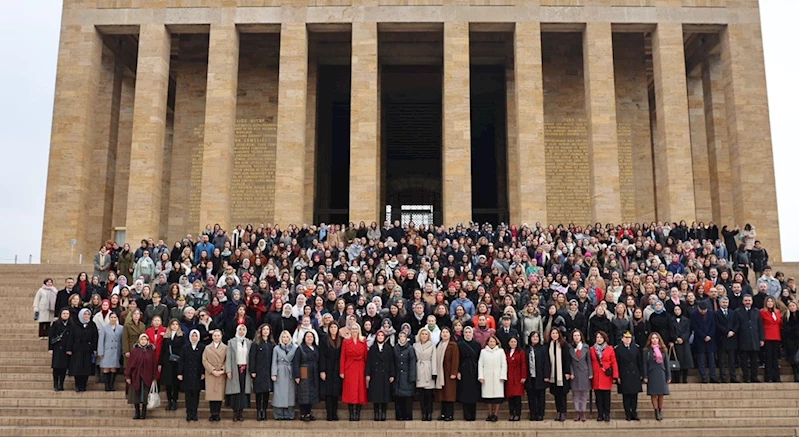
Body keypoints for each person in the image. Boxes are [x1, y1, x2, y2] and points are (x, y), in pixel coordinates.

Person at [125, 333, 158, 419]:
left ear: (147, 341)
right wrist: (128, 376)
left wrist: (154, 377)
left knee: (145, 394)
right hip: (136, 376)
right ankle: (137, 413)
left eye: (145, 340)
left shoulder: (151, 351)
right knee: (136, 394)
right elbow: (130, 364)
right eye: (141, 339)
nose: (143, 341)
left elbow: (154, 364)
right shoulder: (135, 351)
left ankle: (144, 413)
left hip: (147, 376)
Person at [340, 323, 368, 421]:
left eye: (356, 328)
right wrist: (342, 371)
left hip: (360, 367)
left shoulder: (363, 341)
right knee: (350, 391)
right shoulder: (346, 341)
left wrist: (367, 371)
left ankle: (358, 413)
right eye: (353, 329)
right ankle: (351, 413)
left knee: (360, 390)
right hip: (350, 367)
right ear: (350, 330)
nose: (354, 330)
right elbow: (343, 356)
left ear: (359, 330)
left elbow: (366, 356)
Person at [590, 330, 618, 422]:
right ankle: (600, 414)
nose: (599, 339)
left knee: (606, 396)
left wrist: (615, 376)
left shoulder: (610, 349)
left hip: (606, 374)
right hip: (596, 374)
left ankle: (607, 414)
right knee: (598, 397)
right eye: (597, 337)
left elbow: (614, 362)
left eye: (601, 337)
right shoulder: (592, 349)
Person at [366, 329, 394, 421]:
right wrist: (368, 374)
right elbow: (369, 362)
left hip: (385, 374)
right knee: (376, 395)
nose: (380, 337)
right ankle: (376, 413)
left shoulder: (389, 348)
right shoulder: (372, 348)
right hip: (375, 374)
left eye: (382, 335)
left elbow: (391, 363)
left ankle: (383, 413)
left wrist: (391, 375)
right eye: (379, 335)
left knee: (384, 395)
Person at [225, 324, 252, 421]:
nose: (241, 331)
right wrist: (228, 370)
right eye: (240, 329)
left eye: (243, 329)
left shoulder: (249, 342)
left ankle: (241, 412)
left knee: (243, 391)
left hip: (245, 370)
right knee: (235, 391)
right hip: (235, 368)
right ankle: (235, 412)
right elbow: (228, 357)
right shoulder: (231, 342)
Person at [67, 308, 98, 392]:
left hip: (88, 349)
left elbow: (95, 337)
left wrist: (94, 348)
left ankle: (84, 385)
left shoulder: (92, 325)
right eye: (85, 314)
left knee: (86, 368)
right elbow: (71, 337)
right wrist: (69, 348)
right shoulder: (75, 325)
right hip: (77, 349)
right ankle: (77, 385)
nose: (86, 316)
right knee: (77, 368)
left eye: (88, 314)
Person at [735, 295, 764, 383]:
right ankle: (746, 377)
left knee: (754, 361)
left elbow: (760, 326)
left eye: (749, 300)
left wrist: (761, 339)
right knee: (744, 361)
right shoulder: (738, 311)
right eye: (746, 300)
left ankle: (754, 377)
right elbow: (737, 326)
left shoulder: (756, 311)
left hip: (754, 339)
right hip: (743, 339)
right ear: (743, 301)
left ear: (752, 301)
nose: (747, 302)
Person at [478, 335, 507, 422]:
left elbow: (504, 364)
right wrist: (481, 376)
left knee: (497, 397)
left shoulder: (500, 351)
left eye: (493, 342)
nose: (492, 343)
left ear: (496, 342)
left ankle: (496, 414)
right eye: (490, 341)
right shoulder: (483, 352)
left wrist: (503, 376)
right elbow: (480, 364)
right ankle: (490, 414)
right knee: (488, 397)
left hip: (498, 377)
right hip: (487, 377)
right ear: (487, 342)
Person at [642, 332, 671, 421]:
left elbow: (667, 363)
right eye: (653, 338)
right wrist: (645, 375)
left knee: (661, 394)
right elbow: (644, 364)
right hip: (652, 373)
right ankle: (656, 411)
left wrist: (668, 376)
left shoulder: (663, 350)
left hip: (661, 372)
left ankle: (660, 410)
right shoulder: (646, 350)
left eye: (656, 338)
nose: (655, 340)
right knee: (653, 394)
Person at [178, 329, 205, 422]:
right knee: (188, 395)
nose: (194, 338)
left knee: (196, 395)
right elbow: (181, 361)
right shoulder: (185, 347)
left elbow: (203, 361)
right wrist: (180, 373)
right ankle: (189, 413)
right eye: (193, 336)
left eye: (196, 336)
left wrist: (203, 373)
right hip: (187, 374)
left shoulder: (202, 347)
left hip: (197, 374)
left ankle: (194, 413)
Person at [249, 324, 274, 421]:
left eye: (267, 329)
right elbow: (252, 357)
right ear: (261, 331)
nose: (266, 331)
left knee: (267, 392)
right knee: (259, 393)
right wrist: (253, 370)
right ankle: (259, 411)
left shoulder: (272, 344)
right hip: (259, 371)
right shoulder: (256, 343)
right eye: (264, 329)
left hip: (268, 371)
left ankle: (264, 411)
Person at [615, 331, 642, 421]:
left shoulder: (636, 348)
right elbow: (617, 363)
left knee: (634, 395)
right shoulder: (618, 349)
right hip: (624, 374)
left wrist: (641, 374)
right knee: (626, 396)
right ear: (622, 339)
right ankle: (627, 414)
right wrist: (617, 376)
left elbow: (639, 361)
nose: (627, 340)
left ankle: (634, 412)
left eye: (629, 338)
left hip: (635, 374)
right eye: (626, 338)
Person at [271, 330, 298, 420]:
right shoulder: (276, 348)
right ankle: (278, 414)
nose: (285, 339)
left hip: (290, 371)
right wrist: (274, 373)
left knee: (290, 394)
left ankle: (289, 414)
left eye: (287, 337)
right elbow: (274, 361)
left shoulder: (295, 348)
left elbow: (296, 361)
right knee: (279, 394)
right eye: (283, 337)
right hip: (280, 372)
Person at [295, 331, 321, 421]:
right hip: (304, 370)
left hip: (314, 372)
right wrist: (297, 375)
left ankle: (309, 413)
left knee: (312, 393)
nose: (309, 338)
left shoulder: (316, 348)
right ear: (304, 338)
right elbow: (296, 362)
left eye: (311, 337)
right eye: (307, 337)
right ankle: (303, 414)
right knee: (303, 393)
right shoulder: (300, 348)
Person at [435, 326, 459, 421]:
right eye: (443, 332)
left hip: (449, 372)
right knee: (442, 394)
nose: (444, 334)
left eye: (446, 332)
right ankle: (443, 414)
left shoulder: (453, 345)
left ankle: (449, 415)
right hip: (441, 372)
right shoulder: (438, 345)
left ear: (450, 334)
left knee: (449, 394)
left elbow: (455, 359)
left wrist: (454, 372)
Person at [319, 322, 342, 421]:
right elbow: (322, 356)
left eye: (335, 327)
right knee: (328, 392)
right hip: (328, 367)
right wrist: (322, 370)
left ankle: (334, 413)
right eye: (331, 327)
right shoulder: (324, 339)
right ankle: (329, 414)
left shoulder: (341, 340)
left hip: (337, 368)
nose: (333, 329)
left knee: (335, 392)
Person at [202, 329, 227, 421]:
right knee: (211, 394)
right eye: (215, 336)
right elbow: (204, 360)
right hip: (211, 373)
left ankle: (217, 413)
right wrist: (212, 370)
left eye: (218, 335)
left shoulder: (225, 348)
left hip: (220, 372)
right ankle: (212, 413)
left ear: (221, 336)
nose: (216, 337)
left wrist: (222, 370)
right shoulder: (207, 348)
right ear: (212, 337)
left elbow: (227, 360)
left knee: (219, 395)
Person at [524, 331, 549, 421]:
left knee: (540, 397)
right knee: (531, 397)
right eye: (533, 336)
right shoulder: (526, 349)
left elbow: (546, 362)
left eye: (537, 337)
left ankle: (540, 414)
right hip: (530, 377)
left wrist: (546, 375)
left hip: (540, 376)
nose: (535, 338)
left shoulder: (543, 349)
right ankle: (533, 414)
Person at [548, 327, 572, 422]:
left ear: (559, 334)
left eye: (556, 333)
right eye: (553, 333)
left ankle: (563, 412)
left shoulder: (564, 345)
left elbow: (567, 360)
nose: (554, 335)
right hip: (553, 374)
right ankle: (558, 412)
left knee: (563, 395)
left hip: (562, 374)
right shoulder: (549, 345)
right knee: (556, 395)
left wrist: (567, 372)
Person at [691, 301, 718, 383]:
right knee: (701, 360)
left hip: (711, 339)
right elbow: (695, 327)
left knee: (711, 360)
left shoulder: (711, 313)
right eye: (701, 310)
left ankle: (713, 377)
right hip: (700, 339)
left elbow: (714, 325)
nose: (703, 311)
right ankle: (703, 377)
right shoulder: (694, 314)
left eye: (704, 310)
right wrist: (704, 336)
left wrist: (710, 335)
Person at [414, 327, 438, 421]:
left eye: (426, 334)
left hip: (428, 369)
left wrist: (434, 372)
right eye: (422, 334)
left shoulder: (432, 345)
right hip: (419, 369)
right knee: (421, 396)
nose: (424, 336)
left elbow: (434, 359)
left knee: (429, 395)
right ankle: (423, 413)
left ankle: (429, 413)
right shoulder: (415, 345)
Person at [393, 330, 417, 421]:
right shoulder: (395, 348)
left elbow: (412, 363)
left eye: (404, 337)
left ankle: (407, 416)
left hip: (407, 377)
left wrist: (412, 377)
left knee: (408, 398)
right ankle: (399, 416)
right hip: (398, 377)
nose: (402, 338)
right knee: (398, 398)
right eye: (401, 337)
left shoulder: (410, 348)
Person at [569, 329, 591, 421]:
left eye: (578, 335)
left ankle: (583, 412)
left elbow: (589, 361)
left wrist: (590, 373)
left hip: (584, 372)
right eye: (575, 335)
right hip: (574, 373)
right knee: (576, 394)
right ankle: (577, 411)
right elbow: (569, 362)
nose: (576, 337)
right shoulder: (570, 348)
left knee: (584, 394)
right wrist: (571, 373)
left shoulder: (586, 347)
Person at [715, 296, 739, 383]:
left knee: (732, 360)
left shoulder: (733, 313)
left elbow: (737, 323)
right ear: (720, 303)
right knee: (722, 360)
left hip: (732, 338)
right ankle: (723, 377)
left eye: (726, 302)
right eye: (723, 302)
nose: (725, 304)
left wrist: (733, 331)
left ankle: (733, 377)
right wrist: (726, 332)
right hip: (721, 339)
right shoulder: (716, 313)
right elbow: (717, 325)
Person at [97, 312, 122, 391]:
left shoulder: (121, 328)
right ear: (109, 318)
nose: (113, 319)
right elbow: (101, 341)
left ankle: (111, 386)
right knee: (106, 368)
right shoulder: (104, 328)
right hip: (107, 351)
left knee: (113, 368)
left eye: (115, 317)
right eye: (112, 317)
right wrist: (100, 352)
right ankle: (107, 386)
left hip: (116, 351)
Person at [49, 308, 72, 391]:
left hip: (66, 348)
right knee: (56, 367)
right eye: (64, 313)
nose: (65, 315)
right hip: (57, 347)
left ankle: (61, 384)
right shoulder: (55, 324)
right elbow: (51, 336)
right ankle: (55, 384)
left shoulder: (71, 325)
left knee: (63, 368)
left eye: (67, 313)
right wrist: (50, 348)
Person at [505, 336, 527, 421]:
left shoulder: (520, 352)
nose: (513, 343)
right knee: (510, 397)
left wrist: (523, 376)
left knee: (517, 397)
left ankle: (517, 414)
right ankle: (511, 413)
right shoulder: (507, 352)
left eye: (514, 342)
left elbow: (523, 365)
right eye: (511, 342)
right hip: (509, 377)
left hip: (518, 377)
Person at [761, 296, 783, 382]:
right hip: (767, 337)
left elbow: (780, 324)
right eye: (768, 301)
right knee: (768, 358)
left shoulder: (777, 312)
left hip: (776, 337)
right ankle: (768, 377)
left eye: (771, 301)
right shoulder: (762, 312)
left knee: (775, 359)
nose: (770, 303)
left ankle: (776, 377)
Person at [670, 305, 693, 383]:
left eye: (678, 309)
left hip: (684, 343)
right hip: (676, 343)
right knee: (677, 361)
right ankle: (677, 379)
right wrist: (676, 338)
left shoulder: (686, 320)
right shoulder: (671, 320)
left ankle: (684, 379)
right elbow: (671, 331)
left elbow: (688, 331)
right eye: (675, 310)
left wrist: (682, 338)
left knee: (685, 362)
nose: (677, 311)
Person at [783, 301, 799, 382]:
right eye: (790, 306)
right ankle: (796, 375)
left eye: (793, 305)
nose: (792, 307)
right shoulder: (787, 317)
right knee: (794, 359)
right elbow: (786, 330)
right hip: (791, 341)